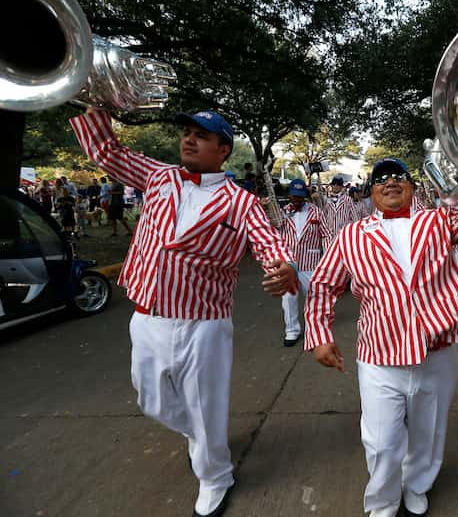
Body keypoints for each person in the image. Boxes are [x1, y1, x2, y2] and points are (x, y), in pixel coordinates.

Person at [70, 108, 298, 517]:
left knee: (205, 403)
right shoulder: (157, 176)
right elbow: (106, 151)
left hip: (204, 321)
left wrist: (282, 268)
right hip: (147, 314)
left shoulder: (241, 203)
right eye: (187, 133)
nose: (189, 140)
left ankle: (216, 477)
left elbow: (268, 243)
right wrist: (94, 106)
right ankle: (204, 438)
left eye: (202, 136)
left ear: (223, 150)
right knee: (151, 400)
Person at [304, 157, 458, 517]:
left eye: (398, 177)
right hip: (379, 354)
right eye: (381, 179)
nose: (390, 182)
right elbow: (324, 284)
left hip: (436, 353)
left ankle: (418, 484)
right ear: (371, 191)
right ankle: (382, 504)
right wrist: (319, 334)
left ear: (411, 186)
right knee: (381, 441)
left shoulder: (438, 222)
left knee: (429, 432)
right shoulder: (351, 235)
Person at [276, 179, 331, 347]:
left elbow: (327, 235)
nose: (297, 200)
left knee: (314, 297)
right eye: (294, 196)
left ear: (305, 196)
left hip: (311, 262)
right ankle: (292, 330)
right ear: (290, 196)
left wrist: (328, 260)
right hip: (289, 263)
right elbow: (273, 234)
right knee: (288, 299)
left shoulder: (316, 212)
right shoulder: (282, 213)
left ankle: (314, 328)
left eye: (300, 197)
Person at [323, 176, 359, 246]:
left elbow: (355, 218)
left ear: (342, 186)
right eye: (334, 184)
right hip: (329, 237)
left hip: (344, 236)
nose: (336, 186)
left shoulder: (348, 199)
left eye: (338, 184)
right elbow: (324, 217)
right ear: (331, 185)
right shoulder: (326, 199)